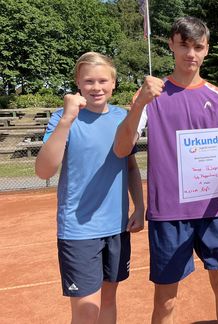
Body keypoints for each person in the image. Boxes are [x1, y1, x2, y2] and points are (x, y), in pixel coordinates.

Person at [113, 17, 218, 324]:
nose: (191, 53)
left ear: (206, 50)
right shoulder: (150, 95)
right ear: (171, 46)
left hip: (214, 209)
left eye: (198, 46)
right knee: (166, 300)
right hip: (169, 214)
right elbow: (122, 149)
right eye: (184, 45)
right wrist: (138, 105)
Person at [35, 52, 145, 324]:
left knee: (108, 301)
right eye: (89, 81)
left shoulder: (123, 117)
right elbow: (43, 171)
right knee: (87, 309)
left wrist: (140, 206)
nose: (96, 87)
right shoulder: (63, 118)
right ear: (77, 83)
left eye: (103, 80)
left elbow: (130, 166)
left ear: (114, 83)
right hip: (79, 230)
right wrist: (66, 121)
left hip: (117, 228)